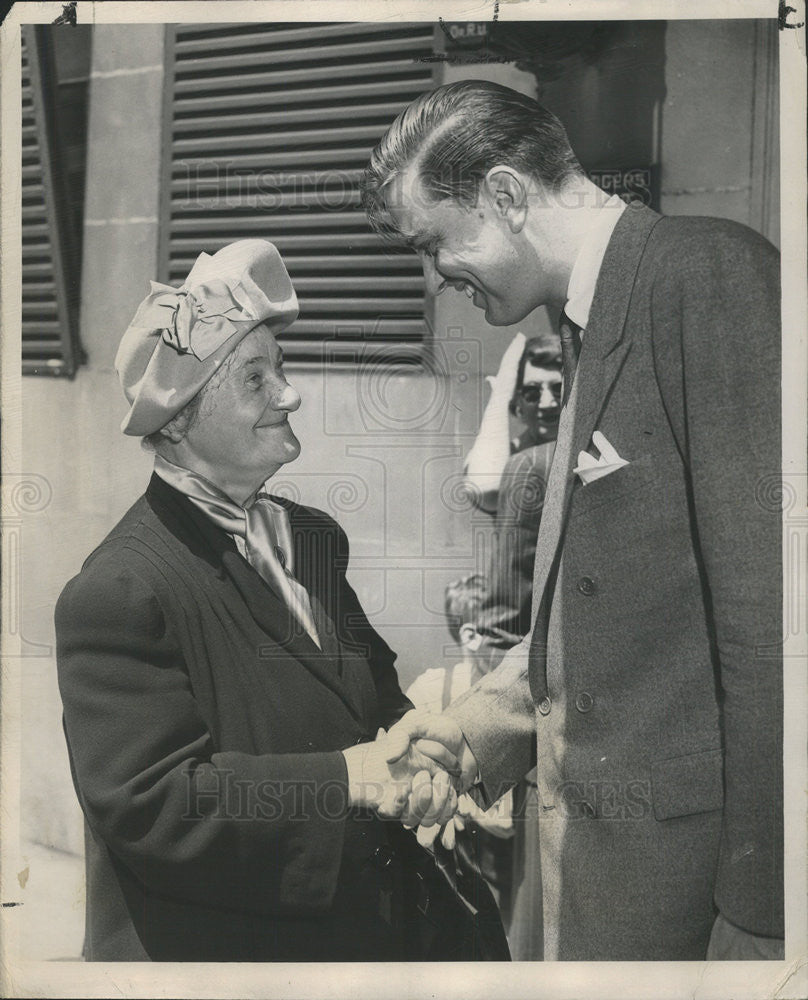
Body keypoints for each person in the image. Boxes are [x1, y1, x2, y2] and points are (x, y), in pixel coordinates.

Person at [362, 80, 783, 961]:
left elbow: (777, 633)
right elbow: (602, 623)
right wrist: (468, 734)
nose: (439, 280)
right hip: (607, 886)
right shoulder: (585, 324)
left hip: (696, 899)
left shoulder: (707, 277)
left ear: (507, 195)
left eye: (435, 244)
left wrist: (763, 912)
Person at [54, 239, 508, 962]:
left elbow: (374, 703)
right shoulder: (119, 592)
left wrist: (415, 761)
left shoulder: (311, 537)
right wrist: (350, 780)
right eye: (255, 380)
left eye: (282, 369)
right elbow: (155, 806)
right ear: (176, 421)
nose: (289, 394)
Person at [406, 576, 514, 907]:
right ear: (470, 636)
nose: (515, 642)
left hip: (505, 860)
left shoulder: (522, 698)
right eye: (503, 630)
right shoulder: (429, 690)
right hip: (442, 854)